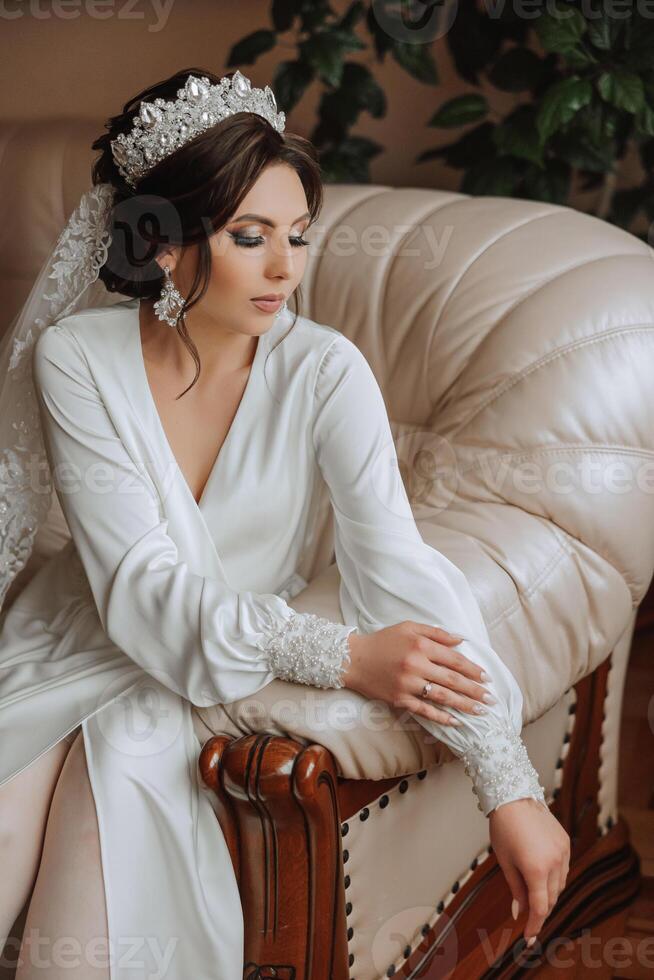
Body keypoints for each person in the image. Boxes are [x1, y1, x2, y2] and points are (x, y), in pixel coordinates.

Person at [0, 68, 569, 979]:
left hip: (190, 675)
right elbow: (141, 593)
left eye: (298, 236)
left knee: (79, 941)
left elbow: (402, 572)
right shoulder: (79, 358)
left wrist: (509, 788)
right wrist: (342, 654)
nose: (285, 270)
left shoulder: (325, 372)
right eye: (249, 237)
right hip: (79, 633)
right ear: (161, 240)